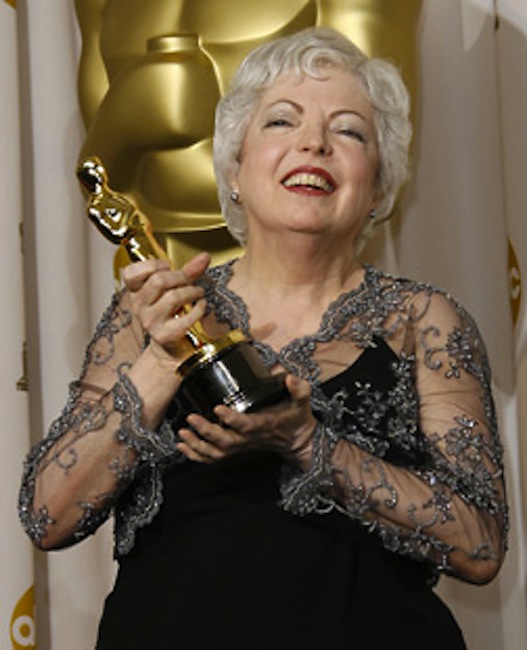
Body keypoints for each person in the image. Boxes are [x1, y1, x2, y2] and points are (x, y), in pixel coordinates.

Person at [19, 27, 507, 649]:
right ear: (234, 169)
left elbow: (480, 542)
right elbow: (47, 515)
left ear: (379, 184)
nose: (314, 143)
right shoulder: (153, 312)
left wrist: (310, 444)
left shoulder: (424, 321)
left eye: (349, 131)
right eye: (282, 122)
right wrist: (164, 361)